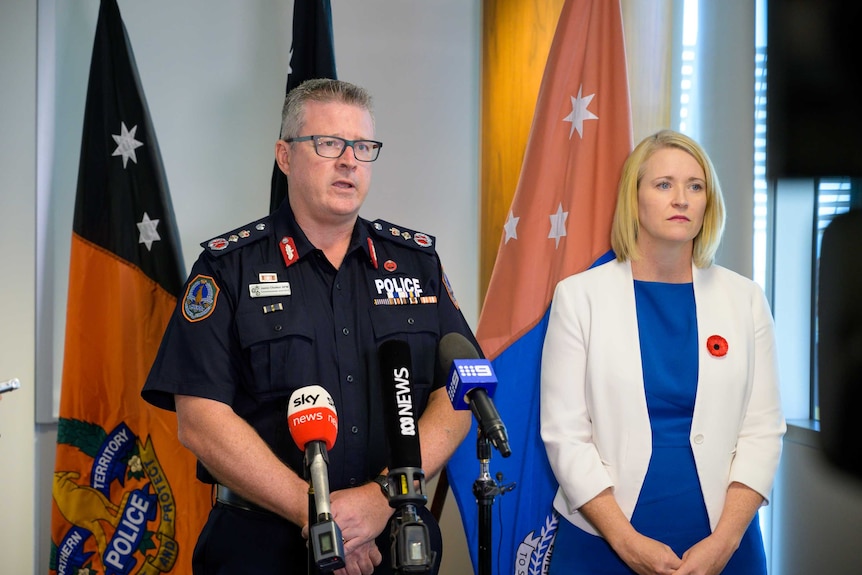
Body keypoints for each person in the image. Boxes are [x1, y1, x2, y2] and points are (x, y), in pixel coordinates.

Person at [142, 78, 476, 575]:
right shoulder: (227, 268)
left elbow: (460, 393)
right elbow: (199, 419)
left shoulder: (416, 264)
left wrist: (378, 500)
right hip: (261, 545)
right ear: (285, 155)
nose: (349, 161)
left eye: (363, 147)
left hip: (395, 538)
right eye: (329, 144)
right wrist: (322, 517)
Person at [540, 129, 786, 575]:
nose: (682, 199)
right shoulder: (579, 297)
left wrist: (725, 542)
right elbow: (565, 436)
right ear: (634, 199)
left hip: (725, 545)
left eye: (695, 186)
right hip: (603, 543)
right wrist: (626, 542)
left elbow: (763, 431)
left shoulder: (745, 299)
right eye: (664, 185)